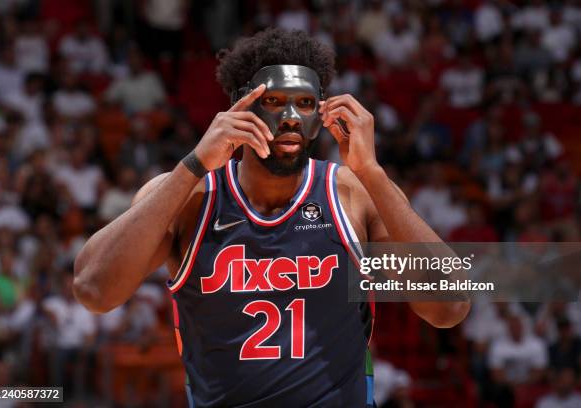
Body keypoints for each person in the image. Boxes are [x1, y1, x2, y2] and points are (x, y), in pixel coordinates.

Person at [73, 28, 469, 406]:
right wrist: (193, 165)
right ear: (239, 108)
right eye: (275, 102)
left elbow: (450, 307)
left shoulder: (354, 192)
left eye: (306, 103)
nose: (292, 117)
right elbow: (94, 290)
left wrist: (373, 173)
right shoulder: (190, 194)